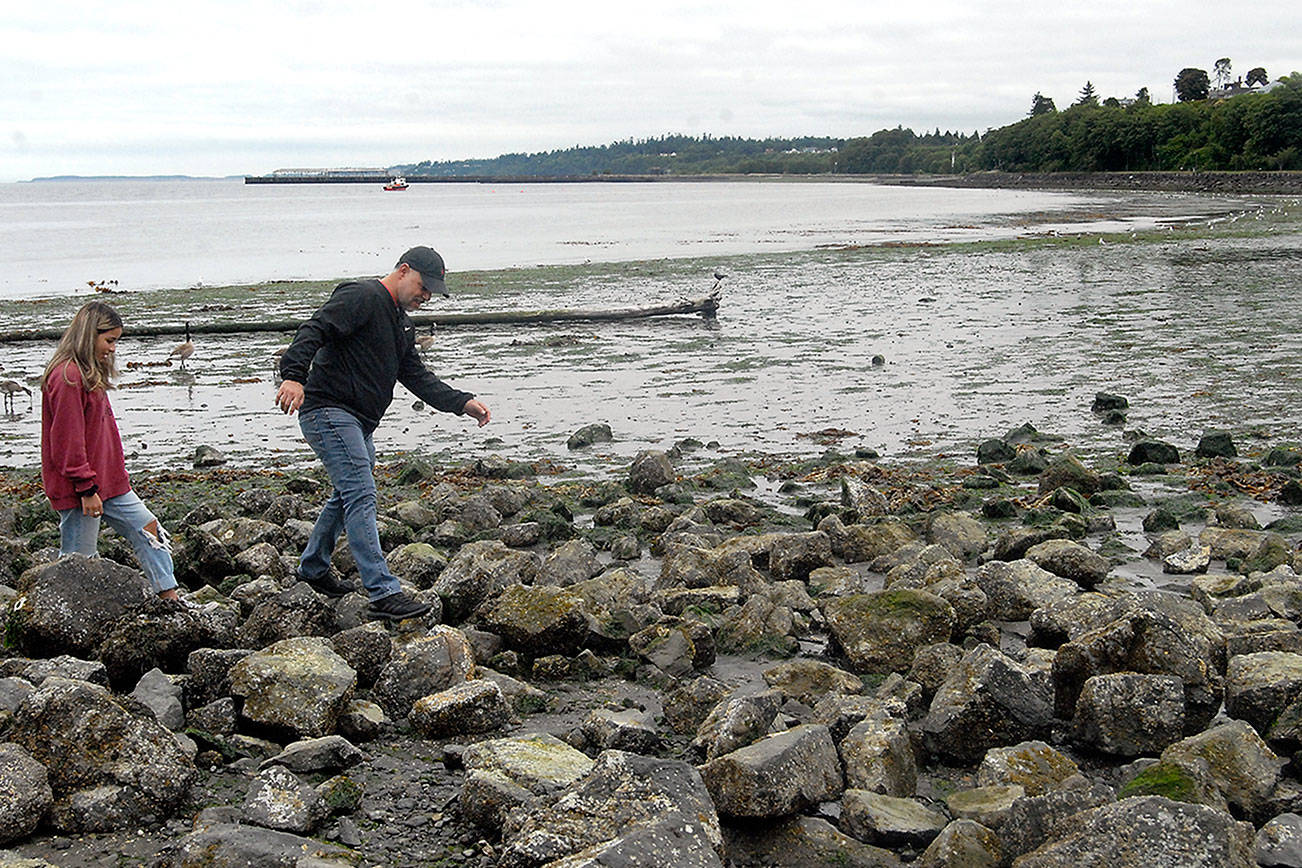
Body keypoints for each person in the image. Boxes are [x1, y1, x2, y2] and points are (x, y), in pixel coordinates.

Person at [276, 246, 490, 621]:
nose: (426, 297)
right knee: (360, 492)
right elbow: (314, 328)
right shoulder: (362, 296)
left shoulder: (402, 323)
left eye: (432, 292)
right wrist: (293, 376)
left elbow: (416, 376)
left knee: (347, 494)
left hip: (358, 421)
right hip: (328, 411)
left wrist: (462, 402)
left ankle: (312, 568)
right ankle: (382, 592)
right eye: (424, 287)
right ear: (404, 271)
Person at [40, 301, 181, 601]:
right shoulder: (67, 377)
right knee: (79, 563)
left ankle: (170, 599)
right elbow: (67, 440)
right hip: (83, 488)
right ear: (88, 335)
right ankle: (70, 622)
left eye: (116, 340)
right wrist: (86, 487)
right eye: (109, 340)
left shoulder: (88, 374)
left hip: (111, 482)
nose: (114, 349)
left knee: (148, 529)